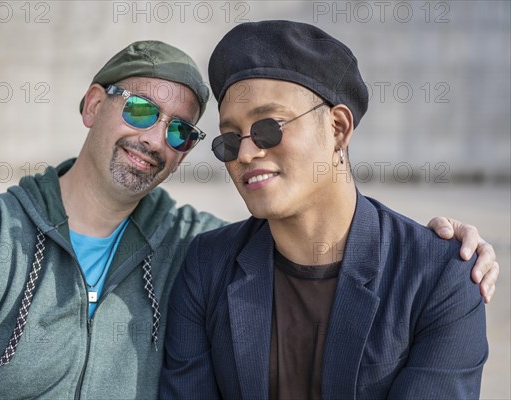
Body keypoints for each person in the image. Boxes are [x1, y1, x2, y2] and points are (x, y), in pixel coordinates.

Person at [0, 39, 497, 400]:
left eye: (179, 132)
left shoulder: (188, 245)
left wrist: (449, 252)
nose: (152, 138)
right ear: (93, 106)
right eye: (139, 107)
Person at [159, 21, 492, 399]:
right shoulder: (206, 267)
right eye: (231, 139)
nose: (247, 153)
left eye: (269, 127)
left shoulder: (439, 275)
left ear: (338, 128)